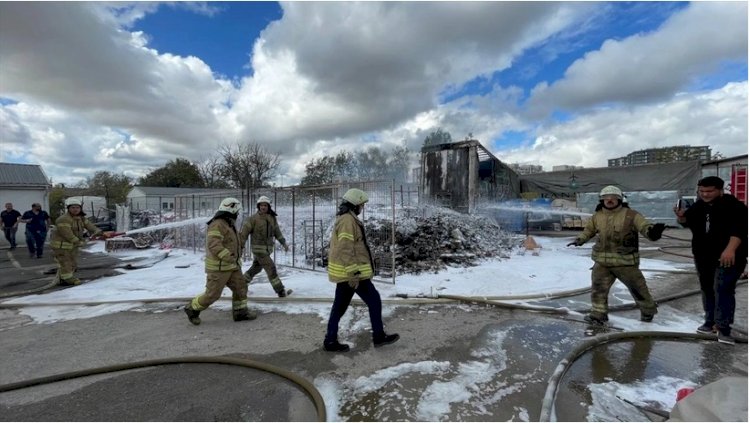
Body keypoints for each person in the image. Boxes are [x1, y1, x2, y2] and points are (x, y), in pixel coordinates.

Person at [567, 185, 665, 325]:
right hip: (602, 262)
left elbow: (644, 227)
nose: (609, 200)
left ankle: (648, 312)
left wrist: (653, 232)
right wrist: (580, 240)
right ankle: (598, 314)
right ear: (601, 200)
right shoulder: (597, 216)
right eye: (606, 198)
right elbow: (588, 231)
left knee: (638, 289)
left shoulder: (632, 215)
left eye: (613, 198)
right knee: (598, 289)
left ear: (620, 199)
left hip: (625, 263)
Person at [674, 176, 747, 344]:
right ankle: (710, 321)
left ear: (720, 190)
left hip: (728, 256)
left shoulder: (735, 206)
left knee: (723, 288)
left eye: (709, 191)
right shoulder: (699, 206)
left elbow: (740, 230)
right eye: (702, 191)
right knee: (707, 288)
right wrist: (682, 217)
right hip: (703, 256)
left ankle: (723, 328)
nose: (705, 194)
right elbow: (688, 223)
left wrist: (730, 250)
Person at [324, 188, 399, 352]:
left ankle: (330, 340)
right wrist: (353, 273)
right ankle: (378, 337)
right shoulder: (347, 221)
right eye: (361, 205)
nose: (362, 208)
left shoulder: (348, 219)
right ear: (355, 204)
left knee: (341, 307)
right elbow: (345, 248)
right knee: (372, 301)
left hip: (351, 274)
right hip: (351, 275)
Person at [184, 197, 254, 325]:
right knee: (212, 295)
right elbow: (214, 244)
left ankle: (240, 312)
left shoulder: (229, 224)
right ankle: (192, 308)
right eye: (237, 212)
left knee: (241, 288)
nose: (238, 215)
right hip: (219, 268)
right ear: (231, 210)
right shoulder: (217, 224)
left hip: (232, 266)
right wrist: (229, 256)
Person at [239, 196, 290, 297]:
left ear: (268, 206)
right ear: (258, 206)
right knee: (271, 268)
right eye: (261, 205)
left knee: (256, 268)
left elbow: (277, 232)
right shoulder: (252, 219)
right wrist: (241, 246)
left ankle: (241, 284)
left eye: (265, 205)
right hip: (259, 251)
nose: (263, 207)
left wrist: (283, 243)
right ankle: (280, 291)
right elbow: (244, 234)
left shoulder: (272, 218)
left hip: (267, 250)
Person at [50, 198, 103, 286]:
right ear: (68, 208)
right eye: (73, 207)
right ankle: (67, 279)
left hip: (72, 246)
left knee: (73, 263)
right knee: (66, 263)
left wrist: (98, 232)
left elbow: (89, 225)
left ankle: (63, 277)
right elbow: (67, 234)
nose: (75, 209)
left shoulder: (80, 218)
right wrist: (78, 242)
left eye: (77, 207)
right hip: (61, 247)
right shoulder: (63, 219)